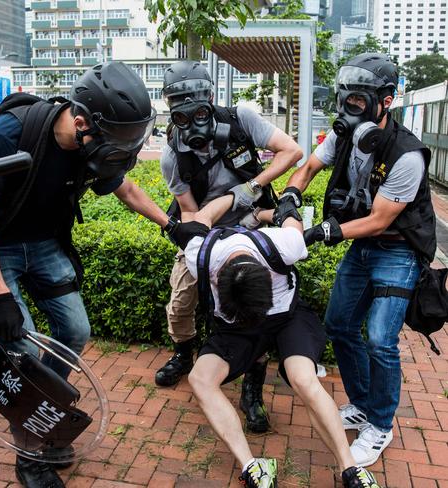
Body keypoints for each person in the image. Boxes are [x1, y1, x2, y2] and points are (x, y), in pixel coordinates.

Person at [0, 61, 171, 488]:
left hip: (41, 243)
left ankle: (44, 409)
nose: (123, 149)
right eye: (119, 138)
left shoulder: (93, 145)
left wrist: (171, 225)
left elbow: (126, 187)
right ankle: (31, 447)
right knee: (19, 346)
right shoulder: (8, 135)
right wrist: (0, 296)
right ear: (80, 122)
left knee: (74, 330)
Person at [279, 52, 436, 467]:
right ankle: (364, 405)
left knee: (381, 340)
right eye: (344, 101)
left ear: (384, 101)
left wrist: (324, 231)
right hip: (364, 247)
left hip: (398, 250)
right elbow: (309, 166)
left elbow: (380, 219)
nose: (348, 111)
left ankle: (381, 425)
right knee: (339, 325)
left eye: (357, 103)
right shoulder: (344, 135)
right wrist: (292, 195)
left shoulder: (407, 155)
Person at [168, 192, 381, 488]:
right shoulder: (200, 254)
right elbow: (201, 218)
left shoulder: (282, 244)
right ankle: (253, 467)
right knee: (200, 379)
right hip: (238, 327)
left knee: (303, 379)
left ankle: (350, 467)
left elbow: (290, 218)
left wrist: (278, 204)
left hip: (286, 318)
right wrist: (236, 194)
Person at [156, 60, 303, 434]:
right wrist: (207, 245)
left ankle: (252, 388)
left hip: (256, 222)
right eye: (179, 105)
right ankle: (184, 351)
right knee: (181, 300)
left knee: (257, 306)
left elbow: (291, 152)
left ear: (209, 96)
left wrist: (251, 188)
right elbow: (190, 210)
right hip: (206, 231)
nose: (191, 115)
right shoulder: (172, 153)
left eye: (197, 103)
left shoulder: (242, 120)